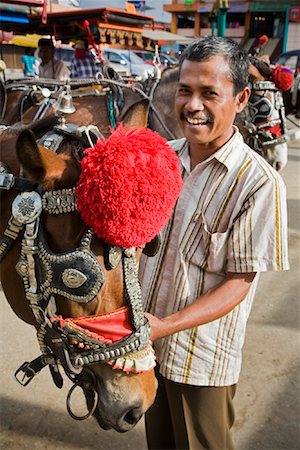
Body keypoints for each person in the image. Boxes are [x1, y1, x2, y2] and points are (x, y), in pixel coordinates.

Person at [139, 36, 289, 450]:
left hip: (200, 363)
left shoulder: (258, 182)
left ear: (241, 99)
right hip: (145, 352)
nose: (192, 105)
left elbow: (238, 283)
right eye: (185, 90)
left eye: (209, 93)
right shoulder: (160, 160)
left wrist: (164, 326)